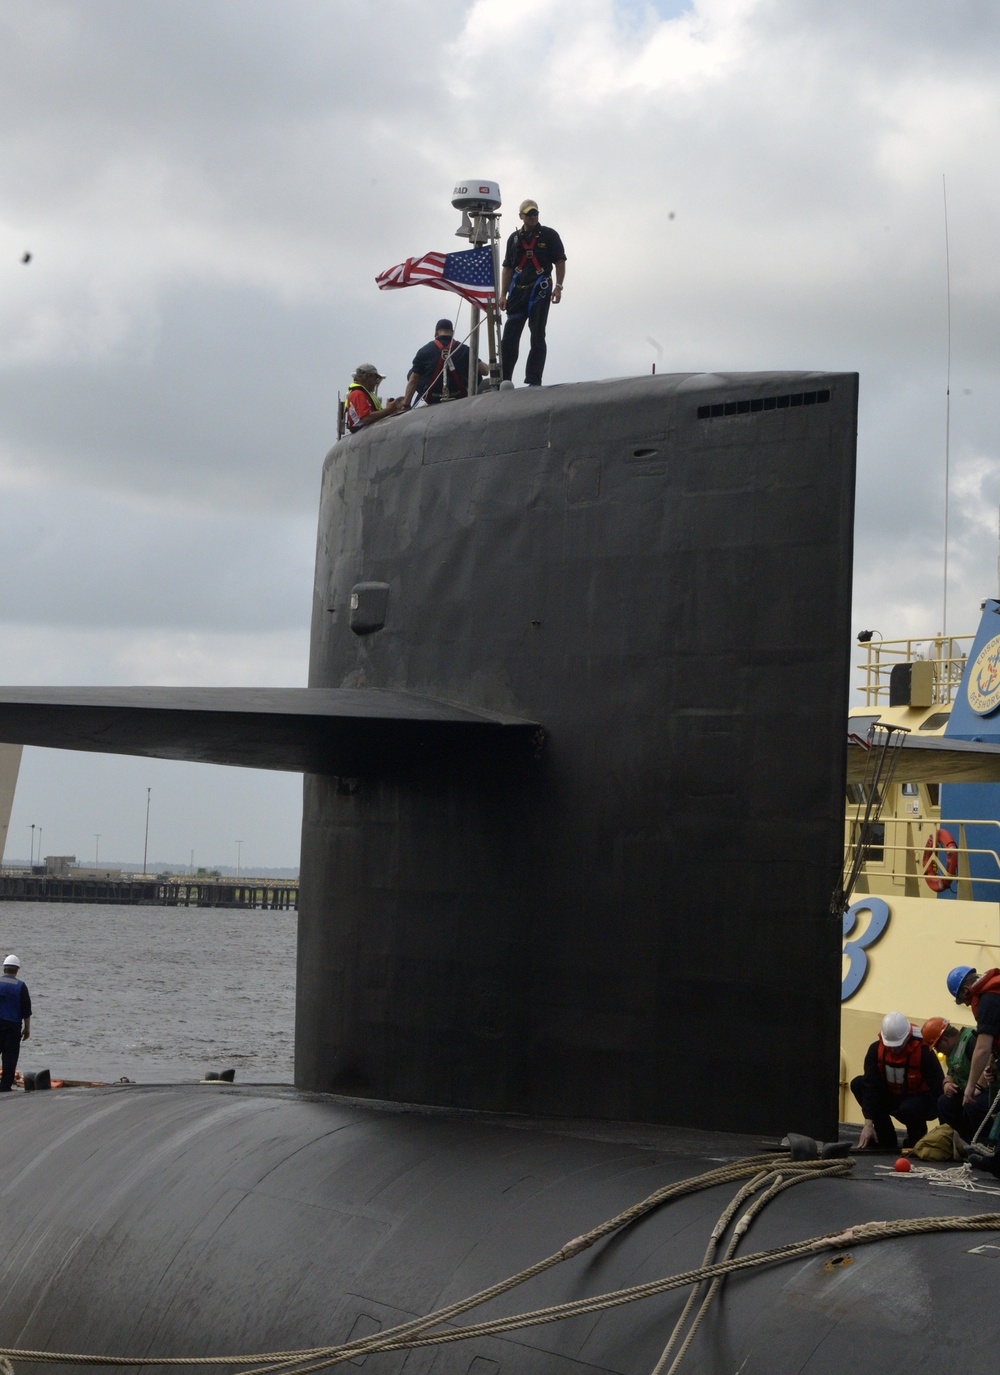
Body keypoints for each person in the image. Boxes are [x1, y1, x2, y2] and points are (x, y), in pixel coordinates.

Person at [851, 1010, 943, 1151]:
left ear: (907, 1037)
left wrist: (944, 1129)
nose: (894, 1051)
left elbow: (938, 1086)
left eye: (898, 1046)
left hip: (916, 1101)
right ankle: (885, 1137)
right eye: (890, 1046)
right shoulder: (875, 1050)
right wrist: (868, 1122)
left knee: (910, 1109)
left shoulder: (924, 1052)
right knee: (858, 1084)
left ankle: (916, 1138)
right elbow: (871, 1086)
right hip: (891, 1096)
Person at [499, 199, 566, 387]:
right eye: (528, 214)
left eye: (535, 213)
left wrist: (559, 287)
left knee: (537, 334)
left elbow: (560, 261)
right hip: (518, 292)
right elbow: (507, 268)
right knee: (510, 336)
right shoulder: (514, 238)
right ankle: (505, 379)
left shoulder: (549, 235)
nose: (533, 216)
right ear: (521, 216)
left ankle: (533, 379)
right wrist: (503, 294)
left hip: (540, 289)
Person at [947, 964, 1000, 1170]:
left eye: (965, 1000)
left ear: (966, 990)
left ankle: (997, 1162)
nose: (968, 1005)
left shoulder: (988, 1000)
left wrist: (970, 1086)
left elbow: (982, 1049)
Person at [921, 1014, 993, 1138]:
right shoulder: (953, 1052)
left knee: (973, 1105)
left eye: (937, 1047)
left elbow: (988, 1061)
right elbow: (951, 1074)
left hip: (989, 1091)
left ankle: (987, 1142)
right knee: (944, 1103)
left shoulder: (971, 1041)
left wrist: (977, 1087)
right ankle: (972, 1141)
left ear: (945, 1040)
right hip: (970, 1091)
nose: (938, 1052)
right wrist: (947, 1083)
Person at [403, 320, 487, 408]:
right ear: (452, 333)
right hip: (459, 395)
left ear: (436, 332)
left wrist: (406, 405)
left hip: (433, 397)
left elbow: (413, 380)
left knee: (412, 373)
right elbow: (484, 371)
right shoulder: (464, 349)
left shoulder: (424, 351)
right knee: (474, 370)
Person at [344, 364, 405, 434]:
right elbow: (366, 418)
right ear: (368, 377)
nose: (376, 382)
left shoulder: (366, 394)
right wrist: (389, 410)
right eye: (375, 378)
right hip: (361, 431)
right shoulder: (358, 394)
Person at [0, 954, 31, 1092]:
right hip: (13, 1027)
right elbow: (26, 1011)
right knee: (10, 1058)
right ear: (17, 970)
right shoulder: (21, 986)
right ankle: (5, 1087)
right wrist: (27, 1029)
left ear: (4, 969)